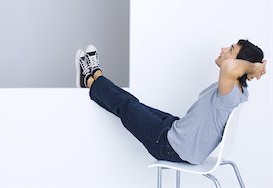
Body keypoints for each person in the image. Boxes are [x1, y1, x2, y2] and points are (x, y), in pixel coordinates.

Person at [75, 40, 266, 165]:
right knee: (133, 104)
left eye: (230, 50)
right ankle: (94, 77)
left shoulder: (230, 91)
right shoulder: (239, 91)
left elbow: (229, 66)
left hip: (171, 147)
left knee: (127, 107)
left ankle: (92, 78)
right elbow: (231, 66)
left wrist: (254, 67)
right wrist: (251, 69)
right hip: (177, 130)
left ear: (241, 65)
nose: (224, 49)